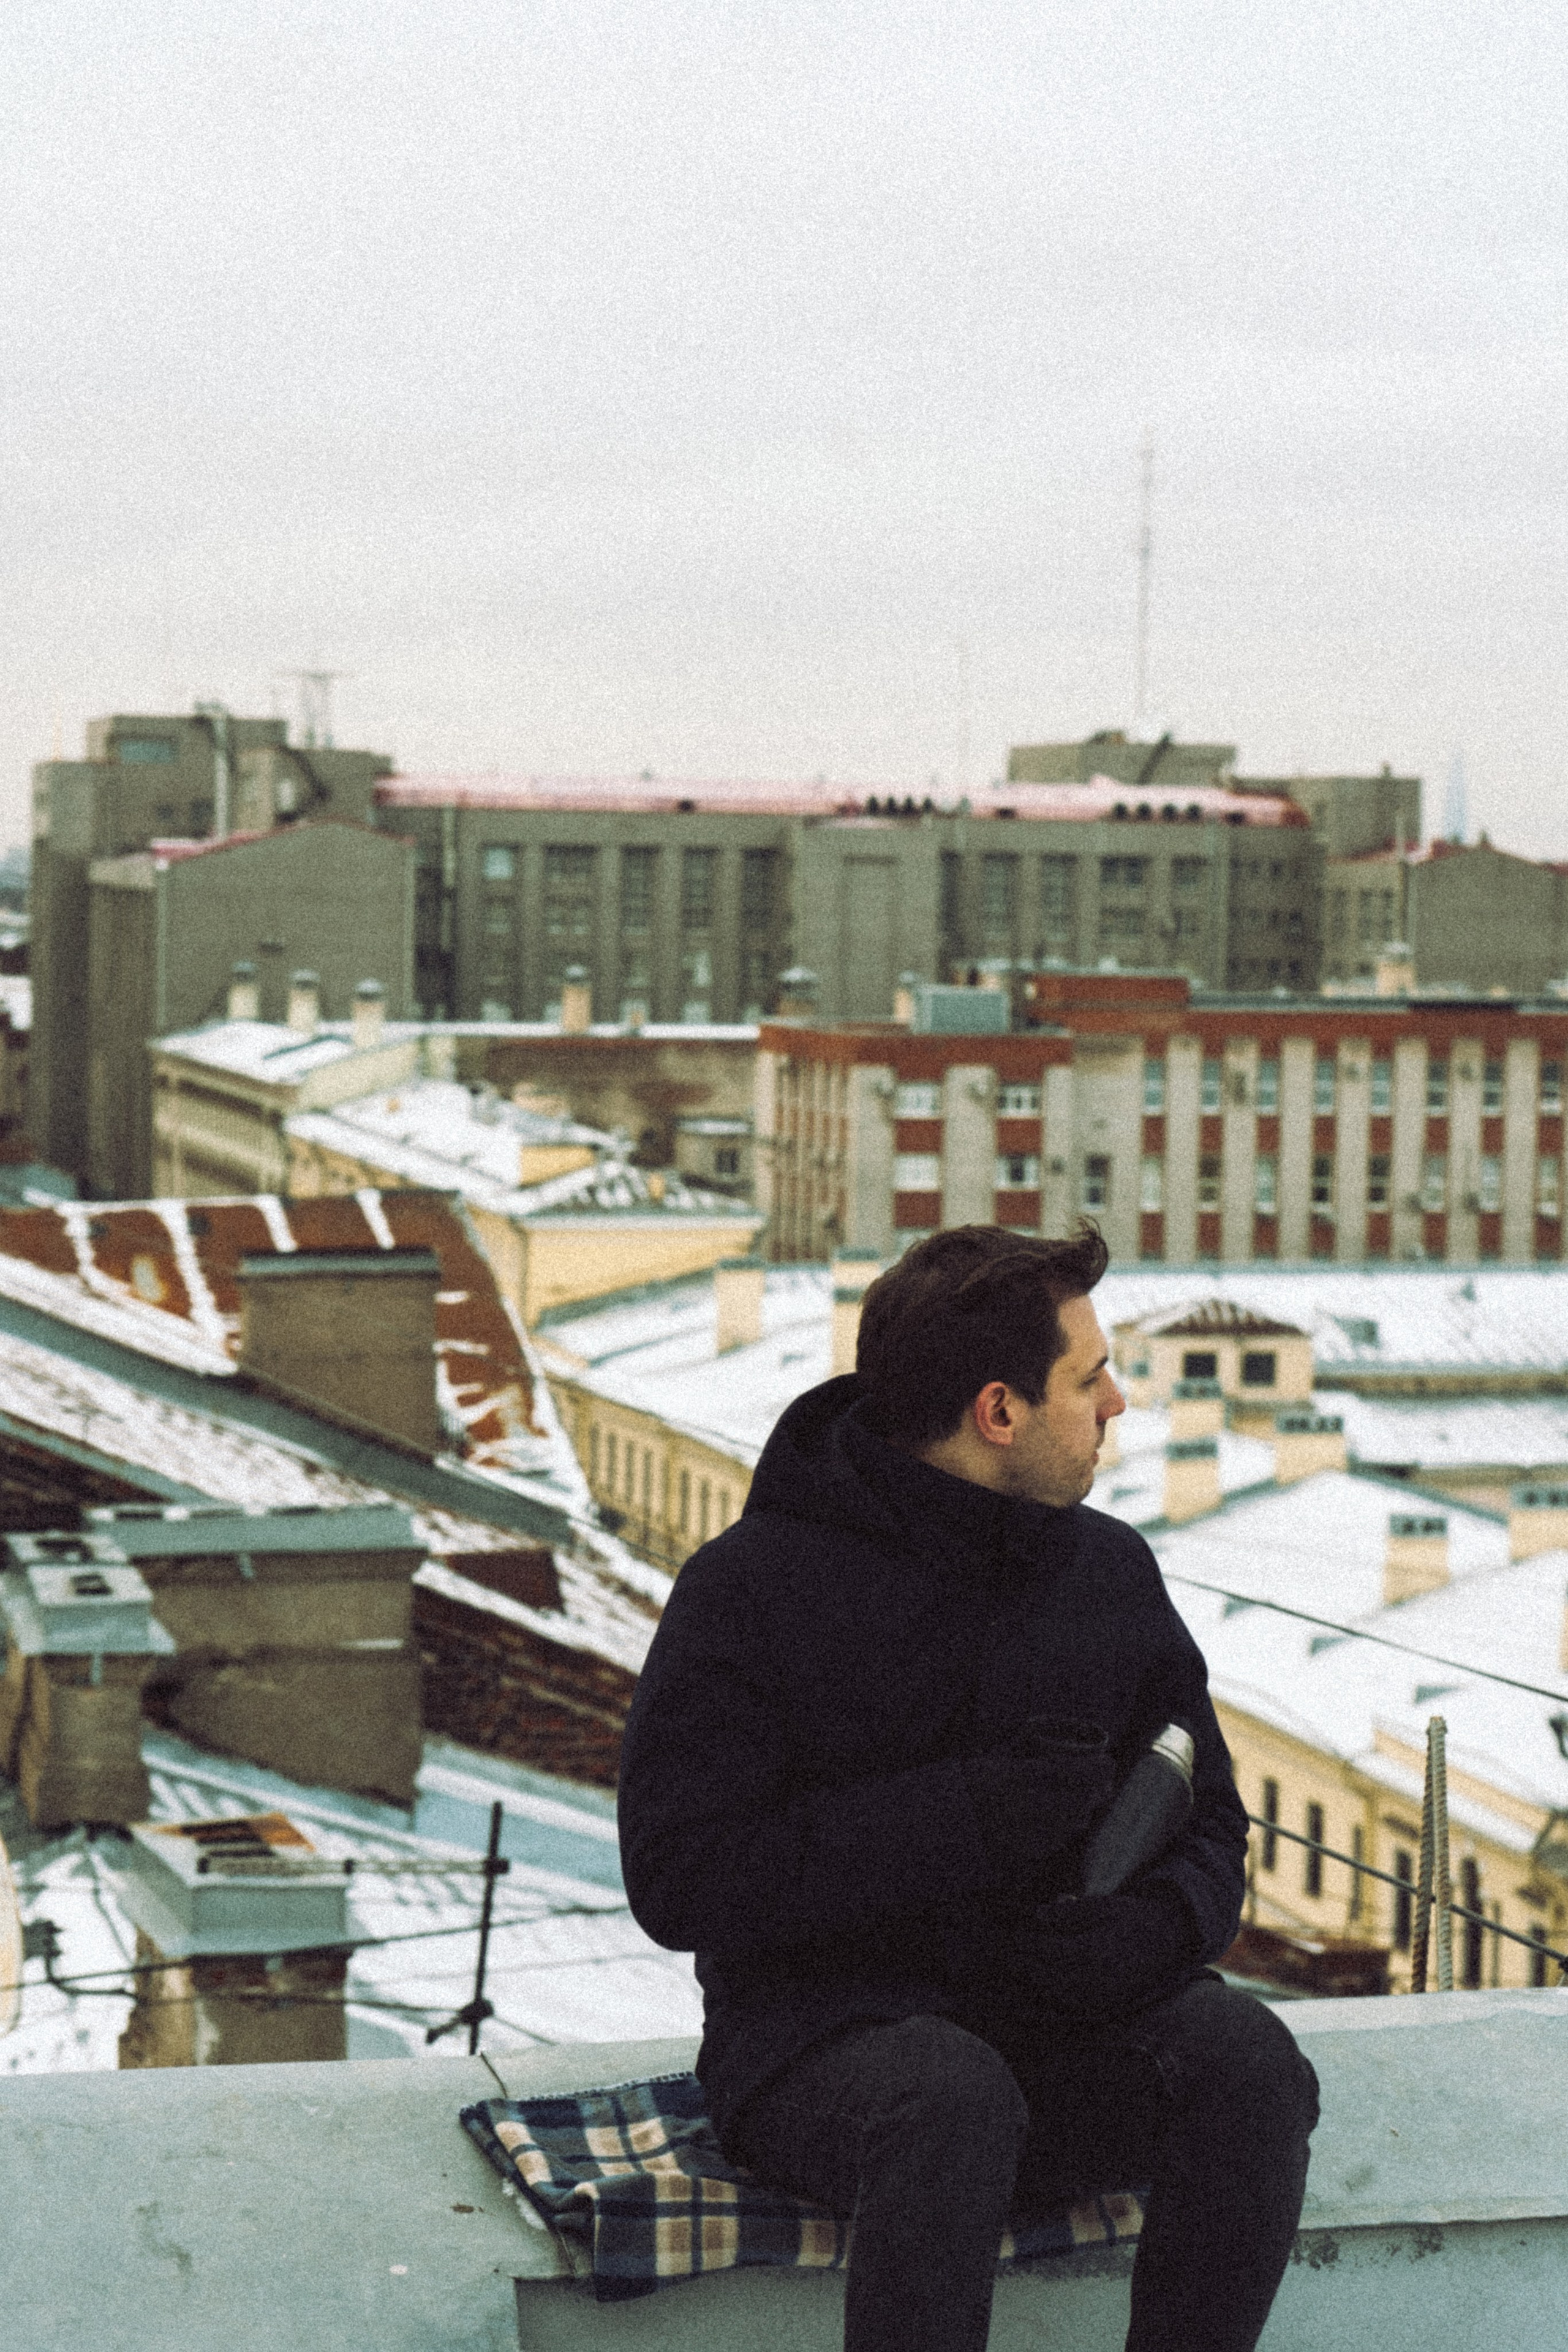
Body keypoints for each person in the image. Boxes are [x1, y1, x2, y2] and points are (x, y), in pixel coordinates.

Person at [618, 1224, 1318, 2352]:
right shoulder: (750, 1587)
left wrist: (1141, 1936)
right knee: (949, 2100)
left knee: (1249, 2069)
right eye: (1089, 1379)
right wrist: (967, 1817)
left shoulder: (1105, 1570)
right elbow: (679, 1877)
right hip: (818, 2047)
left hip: (1056, 2024)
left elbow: (1212, 1817)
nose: (1119, 1404)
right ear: (999, 1412)